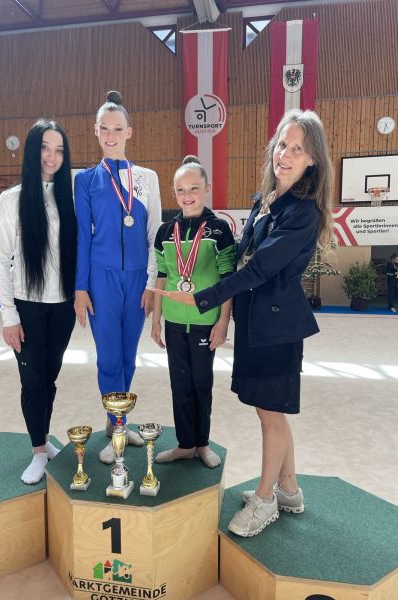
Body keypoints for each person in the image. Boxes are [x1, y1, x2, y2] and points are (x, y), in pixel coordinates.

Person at [156, 109, 334, 536]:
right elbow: (241, 256)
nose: (285, 155)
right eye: (282, 145)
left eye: (297, 149)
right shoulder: (267, 200)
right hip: (256, 323)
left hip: (278, 329)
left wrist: (203, 298)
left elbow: (258, 269)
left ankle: (266, 499)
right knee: (269, 411)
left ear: (312, 159)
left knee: (271, 414)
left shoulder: (302, 213)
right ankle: (288, 489)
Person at [74, 91, 162, 464]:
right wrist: (80, 287)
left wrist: (151, 285)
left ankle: (116, 422)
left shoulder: (147, 178)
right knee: (109, 357)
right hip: (101, 279)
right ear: (96, 131)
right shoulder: (85, 180)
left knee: (128, 357)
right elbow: (82, 236)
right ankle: (119, 427)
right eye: (105, 129)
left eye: (118, 128)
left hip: (137, 279)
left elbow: (155, 234)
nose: (111, 135)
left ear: (129, 132)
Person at [0, 119, 77, 484]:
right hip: (26, 306)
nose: (51, 156)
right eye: (45, 147)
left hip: (62, 306)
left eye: (59, 150)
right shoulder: (11, 200)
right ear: (32, 150)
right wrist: (8, 316)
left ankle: (44, 440)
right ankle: (38, 450)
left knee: (50, 378)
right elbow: (0, 262)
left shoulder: (69, 198)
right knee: (32, 380)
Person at [151, 156, 235, 468]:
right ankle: (185, 444)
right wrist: (156, 319)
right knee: (179, 384)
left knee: (201, 383)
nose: (187, 195)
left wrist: (223, 321)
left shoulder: (219, 230)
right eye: (181, 190)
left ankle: (202, 443)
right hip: (173, 320)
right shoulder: (165, 231)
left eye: (194, 188)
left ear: (207, 189)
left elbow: (227, 280)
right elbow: (161, 276)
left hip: (205, 320)